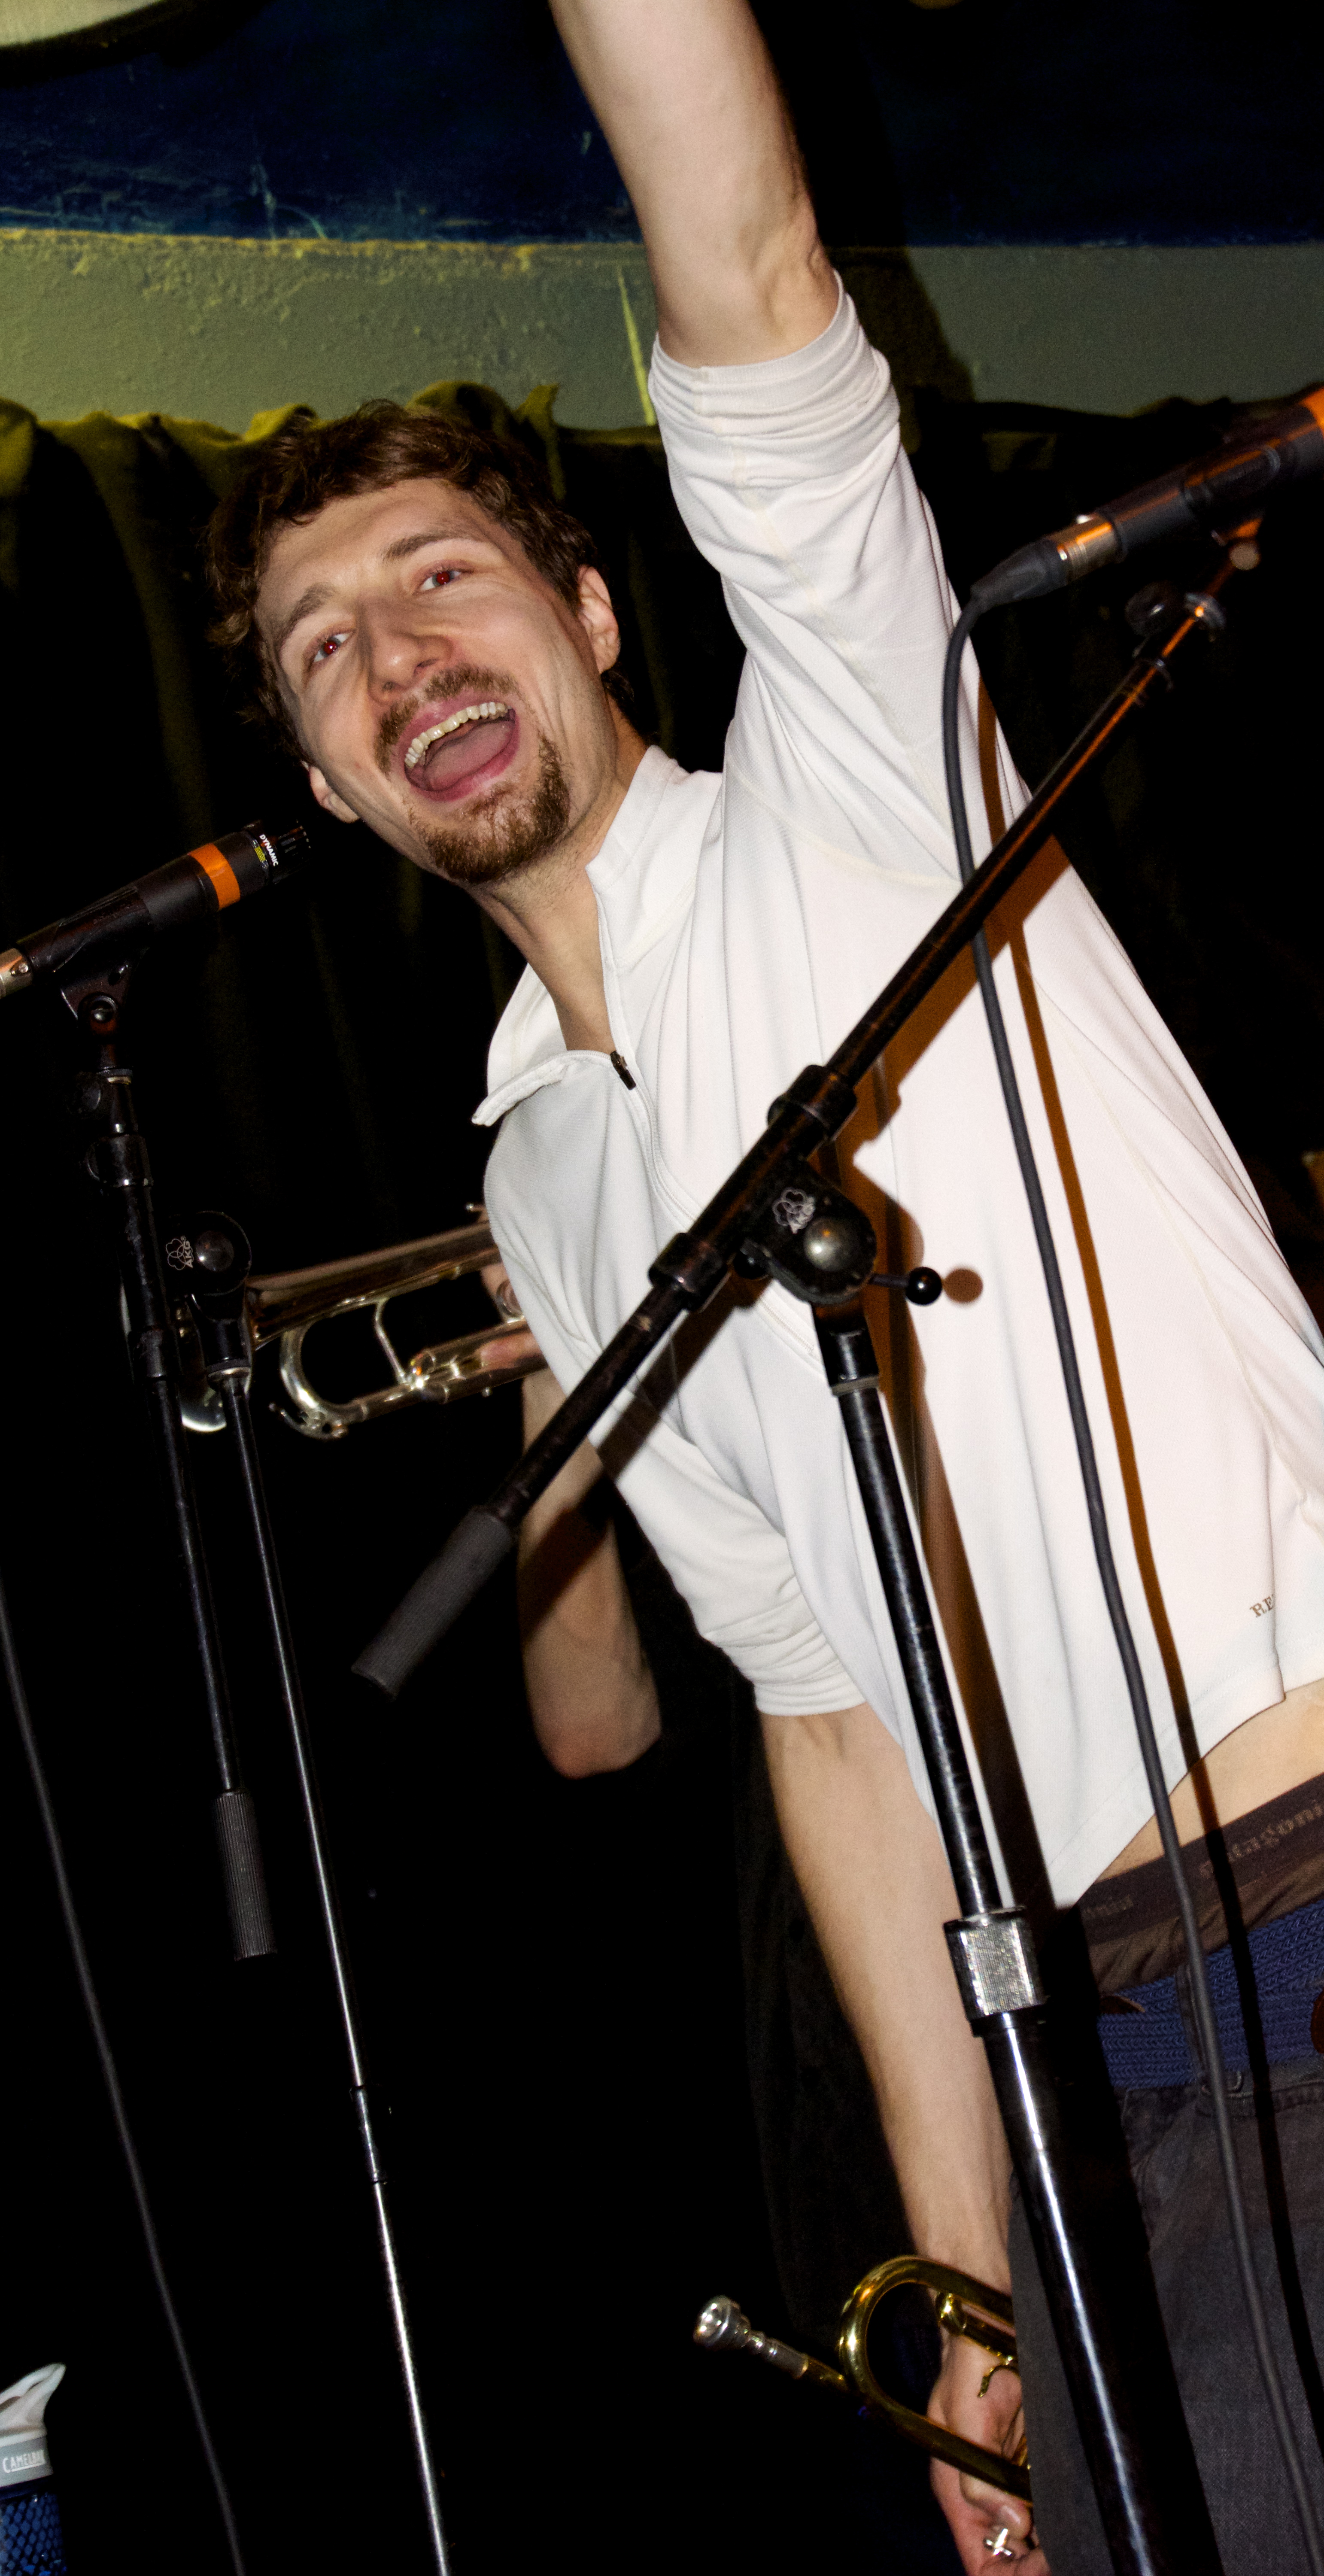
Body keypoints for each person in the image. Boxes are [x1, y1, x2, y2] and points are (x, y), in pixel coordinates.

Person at [203, 5, 1324, 2564]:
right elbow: (835, 1731)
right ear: (324, 780)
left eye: (444, 576)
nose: (398, 654)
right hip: (1124, 2049)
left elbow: (747, 241)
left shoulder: (846, 768)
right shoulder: (548, 1182)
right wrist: (971, 2276)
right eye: (321, 647)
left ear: (598, 612)